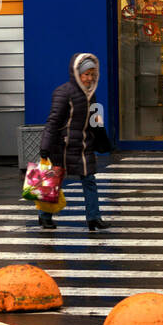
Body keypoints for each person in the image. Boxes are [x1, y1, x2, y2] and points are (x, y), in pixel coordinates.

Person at [38, 53, 108, 232]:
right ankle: (45, 216)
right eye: (86, 74)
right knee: (54, 181)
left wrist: (103, 141)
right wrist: (45, 146)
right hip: (63, 146)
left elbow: (95, 121)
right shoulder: (64, 92)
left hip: (84, 145)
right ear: (78, 73)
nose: (90, 78)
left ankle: (94, 218)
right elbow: (53, 121)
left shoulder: (91, 94)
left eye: (92, 74)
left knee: (89, 180)